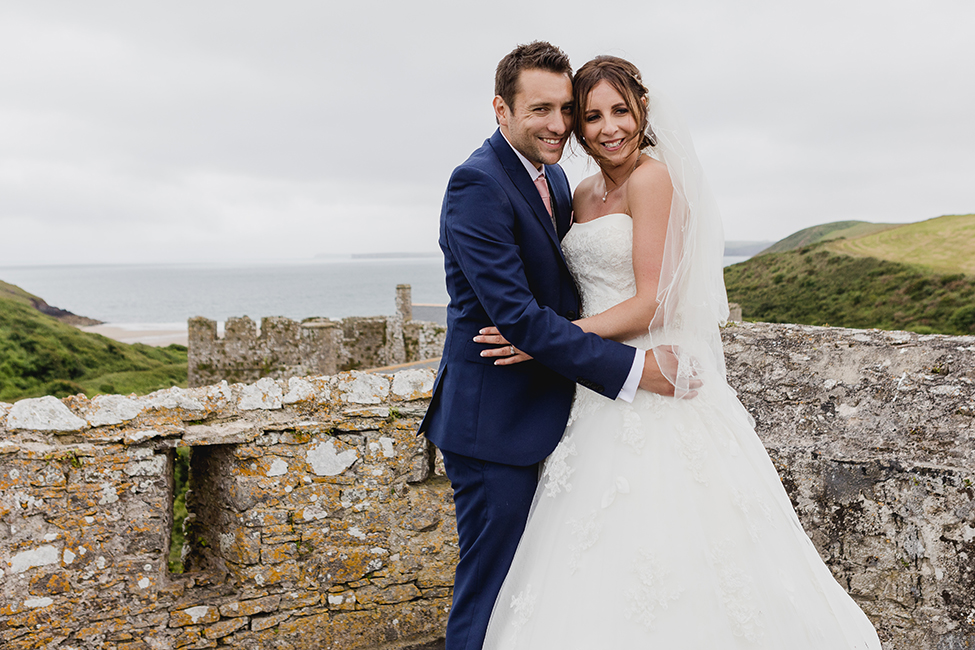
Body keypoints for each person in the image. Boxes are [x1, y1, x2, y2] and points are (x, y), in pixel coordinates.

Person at [479, 55, 883, 648]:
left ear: (643, 110)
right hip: (594, 392)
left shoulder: (654, 178)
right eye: (590, 116)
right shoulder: (580, 190)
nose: (608, 127)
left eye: (621, 110)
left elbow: (654, 304)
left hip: (653, 376)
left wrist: (548, 341)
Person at [418, 43, 694, 650]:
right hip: (493, 419)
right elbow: (516, 315)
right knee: (490, 589)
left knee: (539, 588)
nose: (559, 125)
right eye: (540, 109)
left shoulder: (555, 175)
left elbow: (566, 300)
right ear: (501, 108)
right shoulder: (476, 183)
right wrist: (632, 368)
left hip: (552, 411)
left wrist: (550, 344)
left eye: (566, 109)